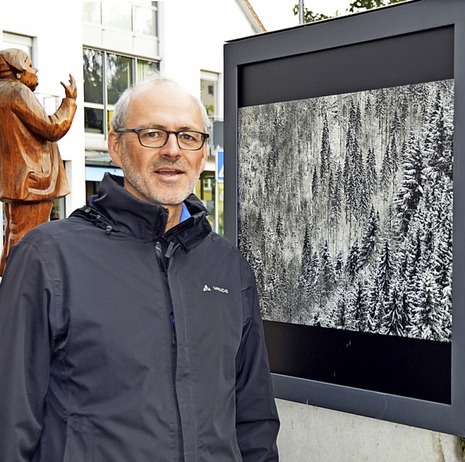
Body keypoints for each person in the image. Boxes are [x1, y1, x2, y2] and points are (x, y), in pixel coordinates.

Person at [0, 76, 280, 461]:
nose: (172, 150)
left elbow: (254, 420)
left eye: (188, 136)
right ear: (116, 147)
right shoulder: (48, 258)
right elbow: (11, 423)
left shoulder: (228, 268)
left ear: (202, 153)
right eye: (152, 134)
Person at [0, 48, 77, 275]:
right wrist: (69, 102)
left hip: (17, 179)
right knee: (27, 237)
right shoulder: (17, 92)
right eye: (30, 65)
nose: (36, 70)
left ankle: (14, 283)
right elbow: (52, 128)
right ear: (17, 70)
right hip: (32, 180)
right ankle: (21, 286)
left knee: (14, 233)